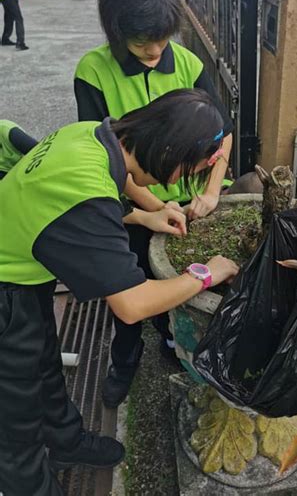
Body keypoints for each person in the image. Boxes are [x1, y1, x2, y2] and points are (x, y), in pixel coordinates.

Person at [0, 89, 239, 496]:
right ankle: (30, 484)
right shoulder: (88, 192)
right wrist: (205, 274)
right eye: (184, 170)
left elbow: (80, 201)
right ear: (167, 152)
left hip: (24, 275)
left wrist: (146, 214)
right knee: (13, 412)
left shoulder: (89, 135)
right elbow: (132, 305)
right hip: (6, 294)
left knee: (43, 367)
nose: (176, 182)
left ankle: (66, 441)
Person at [74, 0, 234, 407]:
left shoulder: (186, 64)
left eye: (161, 38)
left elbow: (221, 135)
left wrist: (209, 191)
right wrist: (149, 208)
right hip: (131, 207)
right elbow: (103, 155)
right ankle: (125, 356)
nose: (152, 51)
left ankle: (169, 341)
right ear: (115, 27)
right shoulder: (93, 71)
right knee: (129, 291)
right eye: (141, 40)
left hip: (185, 208)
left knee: (178, 289)